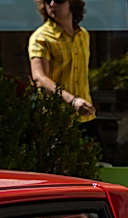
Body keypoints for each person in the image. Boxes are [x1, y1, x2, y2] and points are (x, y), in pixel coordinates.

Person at [28, 0, 94, 129]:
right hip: (55, 119)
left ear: (72, 3)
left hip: (84, 115)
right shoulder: (41, 37)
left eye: (59, 0)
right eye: (47, 1)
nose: (52, 4)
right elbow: (39, 78)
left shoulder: (83, 35)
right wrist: (72, 100)